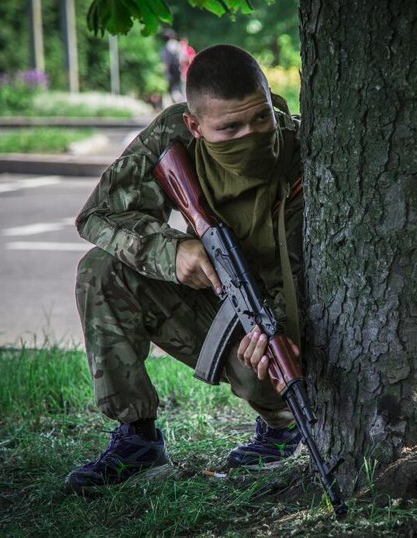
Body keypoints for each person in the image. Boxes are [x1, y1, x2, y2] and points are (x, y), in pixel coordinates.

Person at [66, 44, 304, 494]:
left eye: (260, 119)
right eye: (229, 128)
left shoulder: (302, 152)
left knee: (265, 367)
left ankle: (283, 427)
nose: (249, 135)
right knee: (101, 270)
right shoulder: (174, 137)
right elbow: (97, 215)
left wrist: (283, 329)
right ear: (195, 126)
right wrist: (173, 251)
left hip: (292, 319)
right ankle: (137, 440)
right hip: (217, 297)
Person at [160, 29, 184, 103]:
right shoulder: (178, 45)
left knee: (172, 89)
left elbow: (165, 61)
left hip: (170, 72)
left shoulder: (165, 48)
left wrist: (165, 71)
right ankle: (180, 102)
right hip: (178, 70)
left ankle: (177, 102)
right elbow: (182, 58)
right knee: (178, 88)